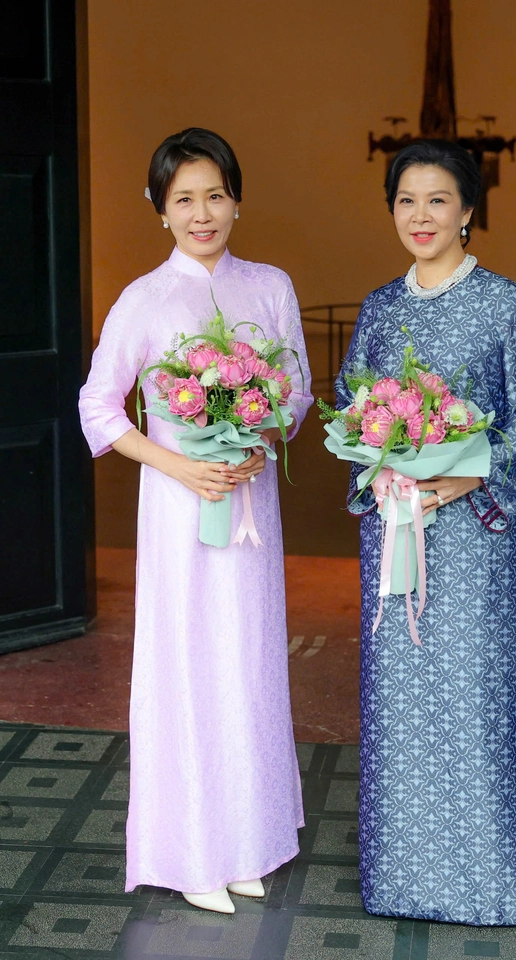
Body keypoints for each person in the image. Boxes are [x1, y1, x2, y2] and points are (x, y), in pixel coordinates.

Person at [79, 127, 312, 914]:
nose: (202, 213)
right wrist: (180, 464)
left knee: (246, 663)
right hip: (181, 512)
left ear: (237, 201)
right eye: (184, 199)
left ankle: (250, 841)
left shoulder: (270, 286)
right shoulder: (144, 298)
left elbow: (299, 388)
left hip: (250, 504)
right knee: (187, 668)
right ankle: (190, 853)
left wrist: (263, 435)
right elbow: (98, 407)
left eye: (216, 195)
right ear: (159, 209)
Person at [335, 139, 516, 925]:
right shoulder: (380, 308)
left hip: (472, 533)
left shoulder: (504, 303)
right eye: (405, 200)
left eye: (437, 200)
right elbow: (349, 405)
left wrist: (473, 476)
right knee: (401, 694)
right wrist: (379, 463)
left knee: (472, 690)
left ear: (469, 209)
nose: (420, 215)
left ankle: (491, 884)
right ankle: (405, 882)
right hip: (397, 527)